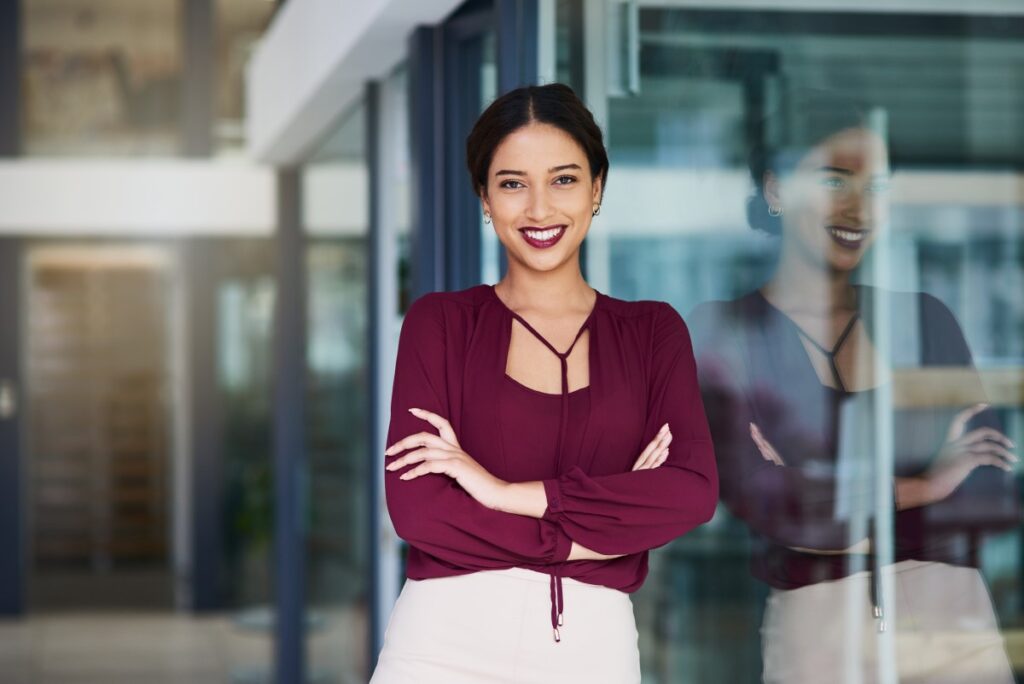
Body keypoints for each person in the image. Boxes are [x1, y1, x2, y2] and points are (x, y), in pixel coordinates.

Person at [368, 83, 718, 683]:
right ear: (484, 196)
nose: (538, 209)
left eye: (563, 179)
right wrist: (610, 525)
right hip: (441, 647)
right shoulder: (441, 324)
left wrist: (498, 491)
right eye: (511, 183)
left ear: (597, 188)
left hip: (594, 652)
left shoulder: (653, 331)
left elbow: (689, 494)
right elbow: (420, 513)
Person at [688, 91, 1018, 683]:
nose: (860, 208)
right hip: (819, 629)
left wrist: (823, 490)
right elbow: (774, 507)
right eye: (835, 180)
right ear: (777, 189)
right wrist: (930, 482)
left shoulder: (924, 320)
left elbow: (991, 492)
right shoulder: (727, 332)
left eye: (878, 188)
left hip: (952, 620)